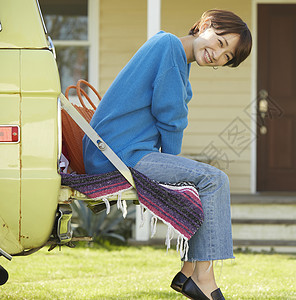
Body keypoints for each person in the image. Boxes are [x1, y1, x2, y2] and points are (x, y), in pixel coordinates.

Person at [82, 9, 252, 300]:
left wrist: (175, 168)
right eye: (221, 44)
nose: (218, 56)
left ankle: (188, 271)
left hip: (123, 151)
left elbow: (169, 111)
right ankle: (203, 278)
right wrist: (173, 163)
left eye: (226, 58)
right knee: (215, 179)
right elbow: (171, 117)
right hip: (117, 154)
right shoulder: (170, 47)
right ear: (206, 25)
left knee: (205, 181)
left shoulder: (172, 53)